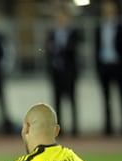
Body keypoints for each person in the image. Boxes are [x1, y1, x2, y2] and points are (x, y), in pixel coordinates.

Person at [94, 0, 122, 136]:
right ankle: (108, 128)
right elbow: (96, 48)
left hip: (117, 66)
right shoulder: (99, 28)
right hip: (105, 66)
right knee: (106, 99)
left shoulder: (121, 28)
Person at [45, 6, 80, 136]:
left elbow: (73, 50)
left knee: (72, 100)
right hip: (56, 72)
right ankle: (59, 129)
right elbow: (47, 52)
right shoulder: (52, 33)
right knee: (57, 102)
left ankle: (75, 128)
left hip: (69, 72)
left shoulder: (73, 33)